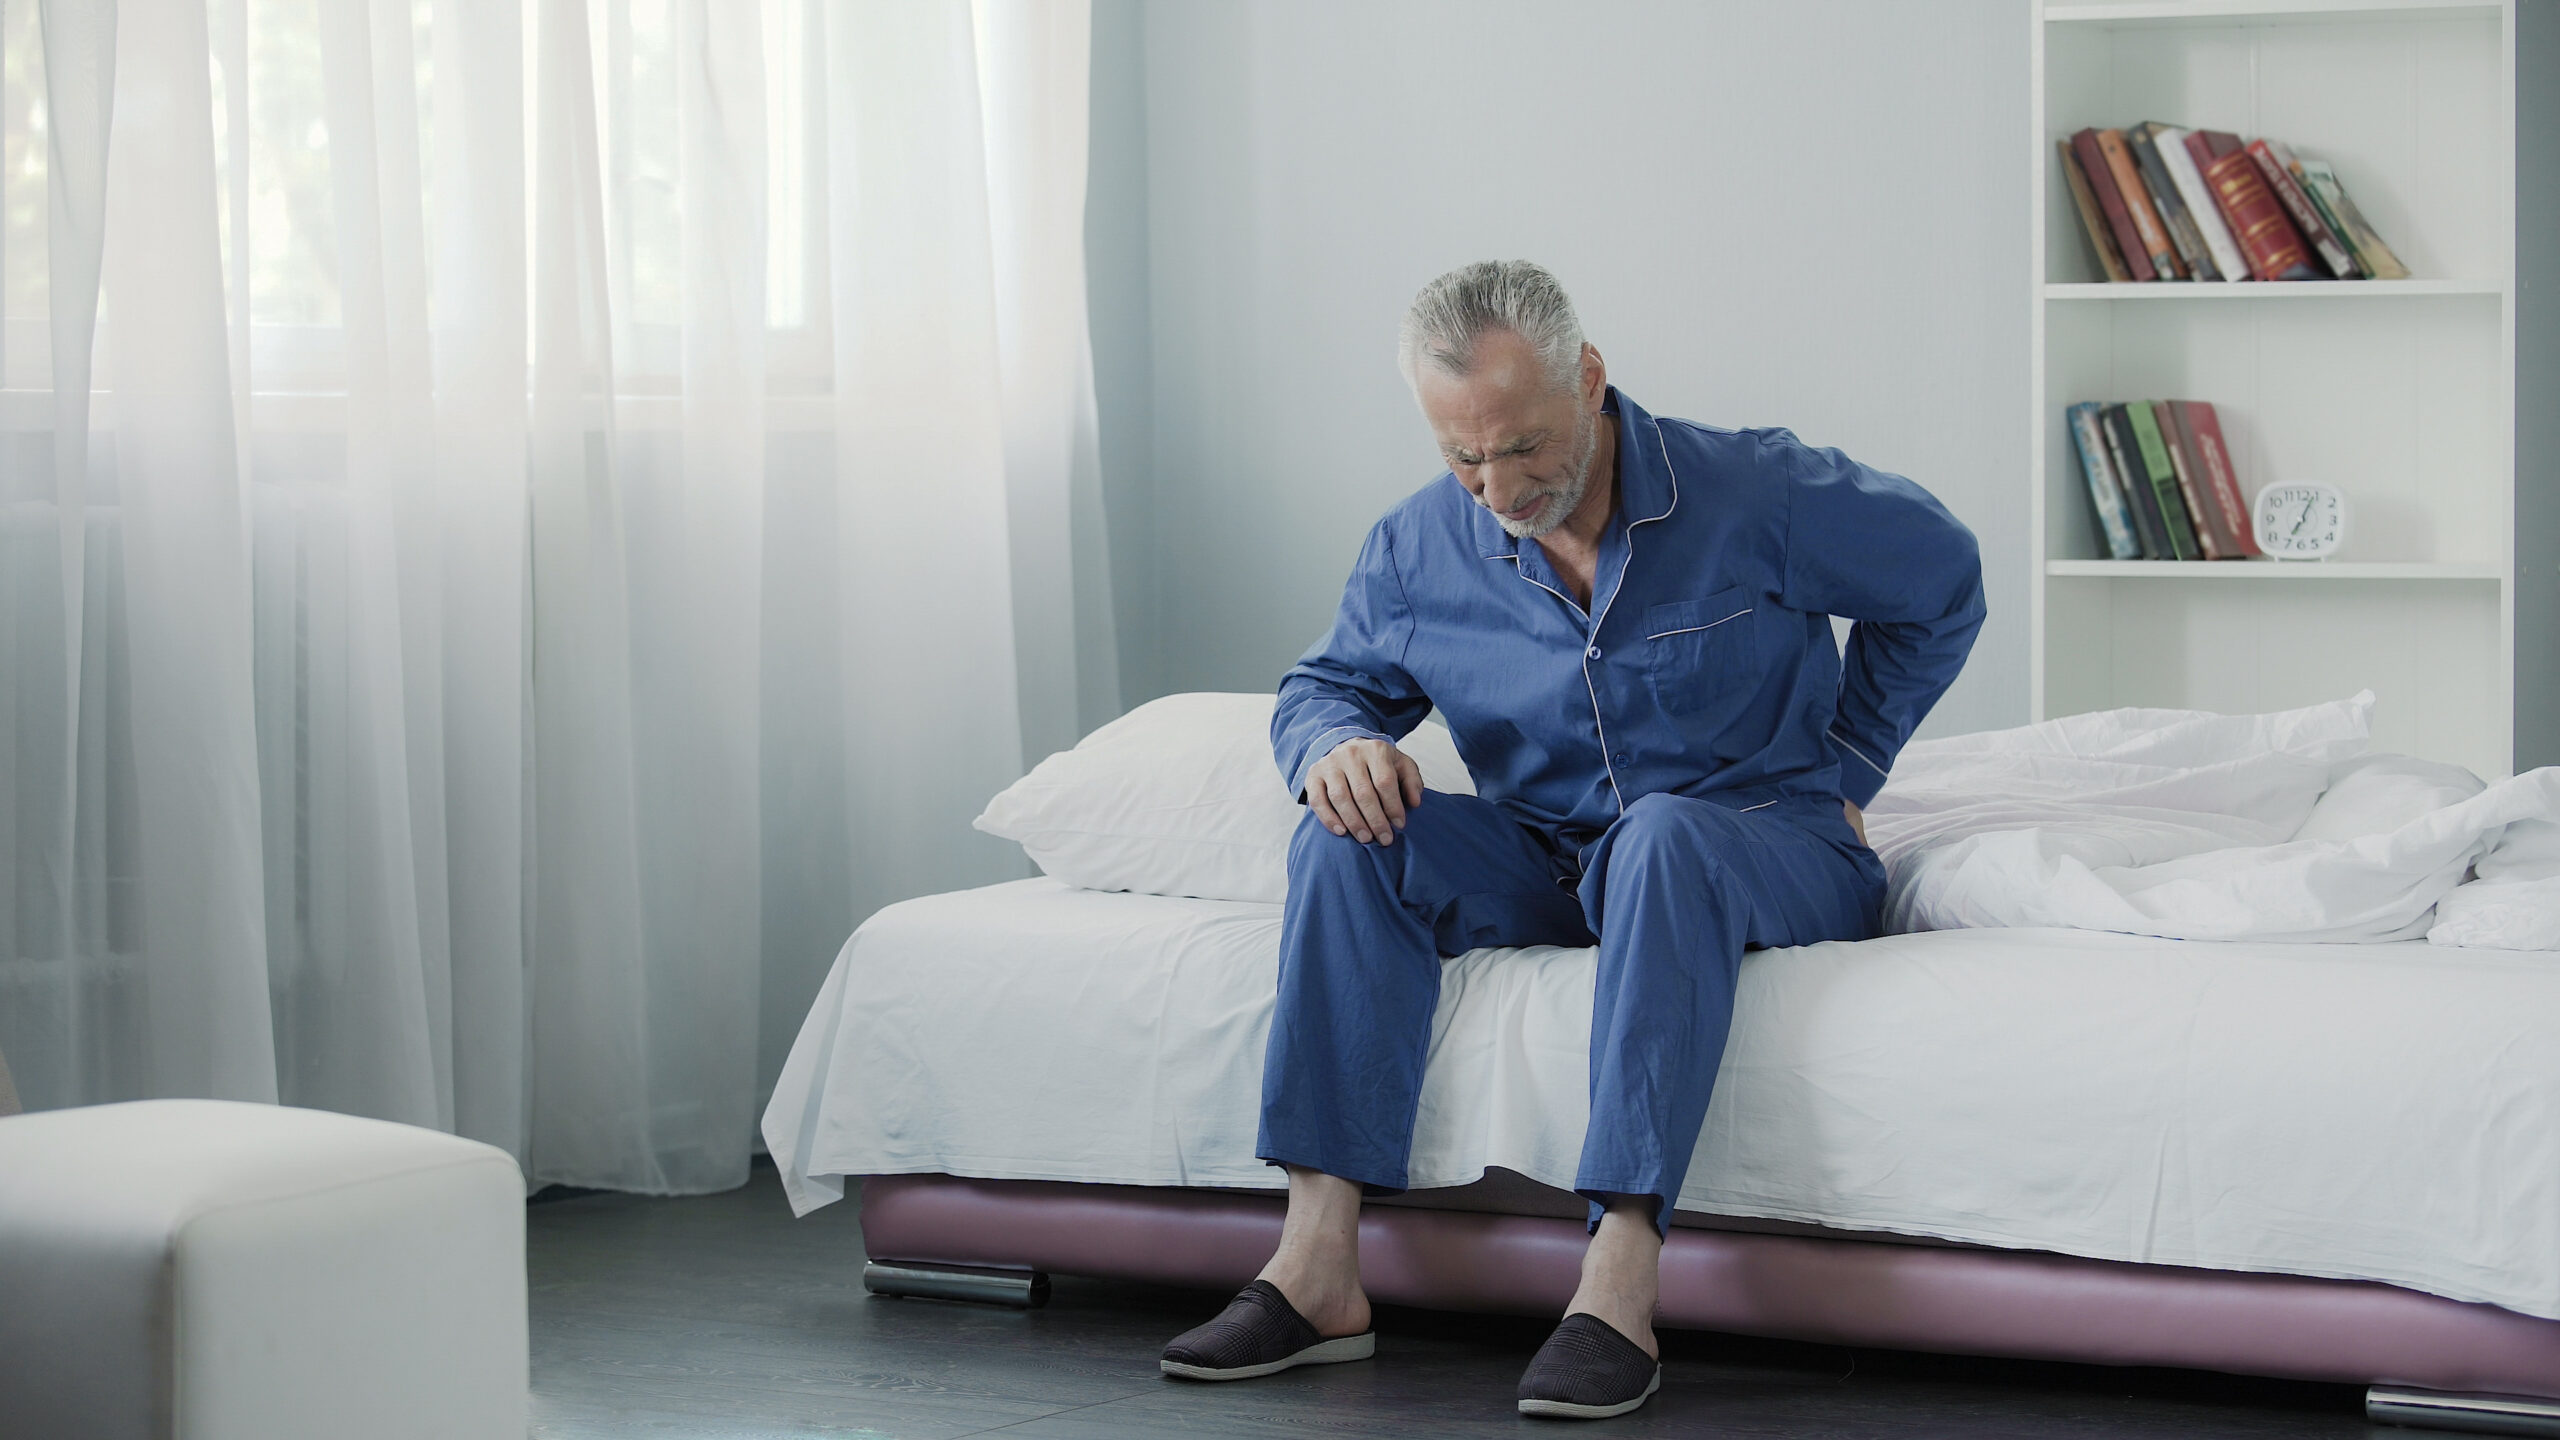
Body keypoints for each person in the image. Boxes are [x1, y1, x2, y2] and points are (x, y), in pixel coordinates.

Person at [1158, 260, 1984, 1419]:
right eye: (1462, 456)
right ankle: (1317, 1268)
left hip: (1767, 843)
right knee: (1345, 838)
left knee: (1659, 838)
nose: (1496, 486)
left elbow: (1943, 578)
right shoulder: (1417, 549)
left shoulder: (1752, 489)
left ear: (1589, 378)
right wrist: (1332, 746)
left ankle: (1615, 1283)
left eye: (1524, 445)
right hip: (1553, 854)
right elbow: (1323, 686)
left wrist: (1852, 764)